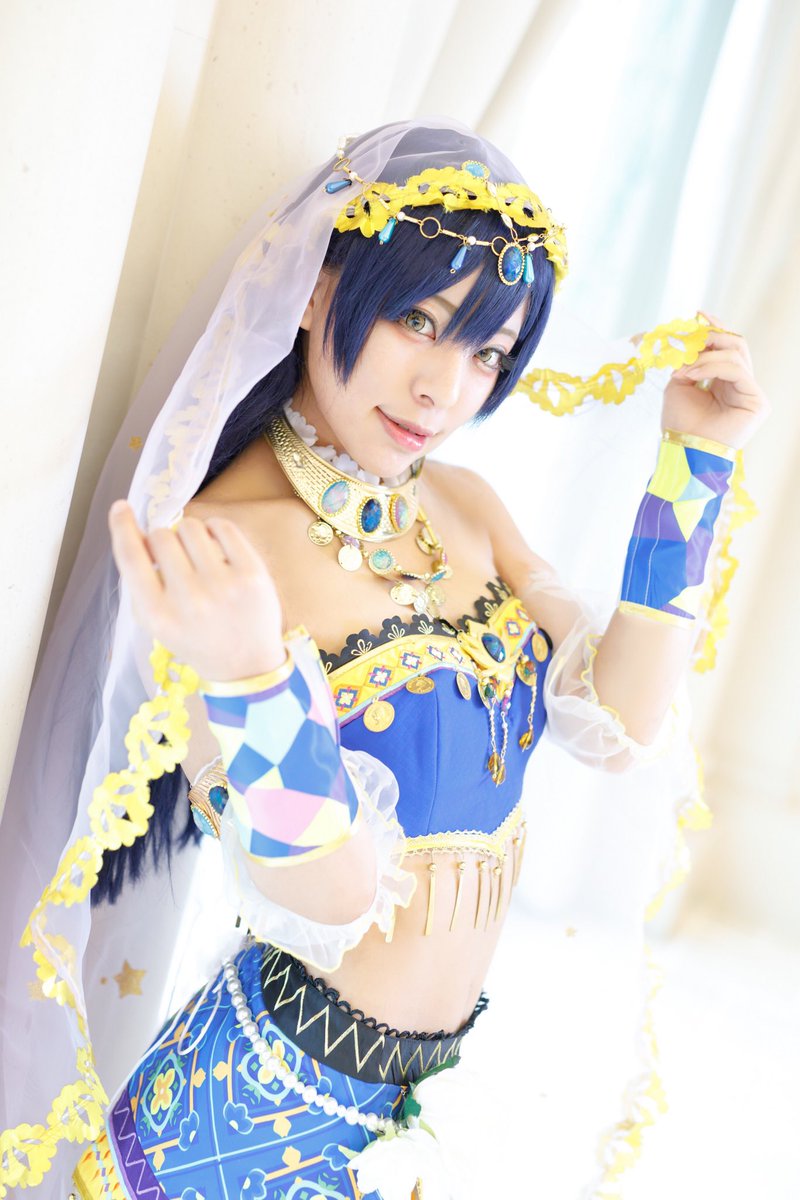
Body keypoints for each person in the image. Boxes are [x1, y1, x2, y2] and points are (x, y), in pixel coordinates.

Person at [0, 119, 767, 1200]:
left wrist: (696, 462)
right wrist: (251, 676)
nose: (442, 390)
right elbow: (328, 893)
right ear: (316, 291)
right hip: (242, 1120)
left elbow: (620, 723)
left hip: (415, 1110)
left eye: (486, 353)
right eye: (418, 321)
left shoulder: (466, 505)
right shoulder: (216, 548)